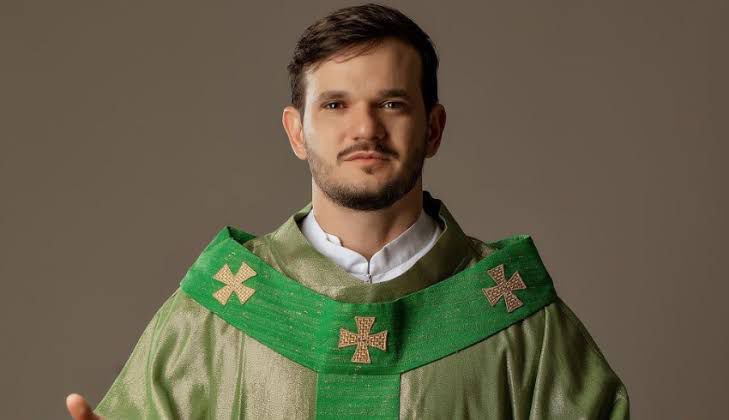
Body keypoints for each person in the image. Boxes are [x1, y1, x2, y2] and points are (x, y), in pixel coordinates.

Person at [66, 3, 629, 419]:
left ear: (432, 129)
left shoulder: (515, 314)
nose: (365, 129)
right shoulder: (218, 310)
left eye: (391, 103)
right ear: (296, 131)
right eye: (335, 104)